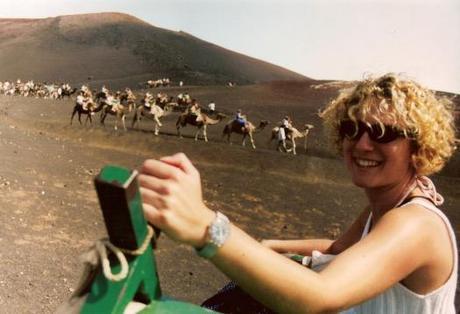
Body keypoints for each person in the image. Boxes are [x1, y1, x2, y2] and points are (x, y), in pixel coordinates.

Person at [137, 73, 457, 313]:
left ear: (419, 147)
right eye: (351, 129)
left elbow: (319, 296)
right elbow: (338, 248)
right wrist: (269, 246)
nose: (361, 144)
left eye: (383, 132)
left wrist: (208, 228)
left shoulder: (416, 225)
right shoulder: (387, 208)